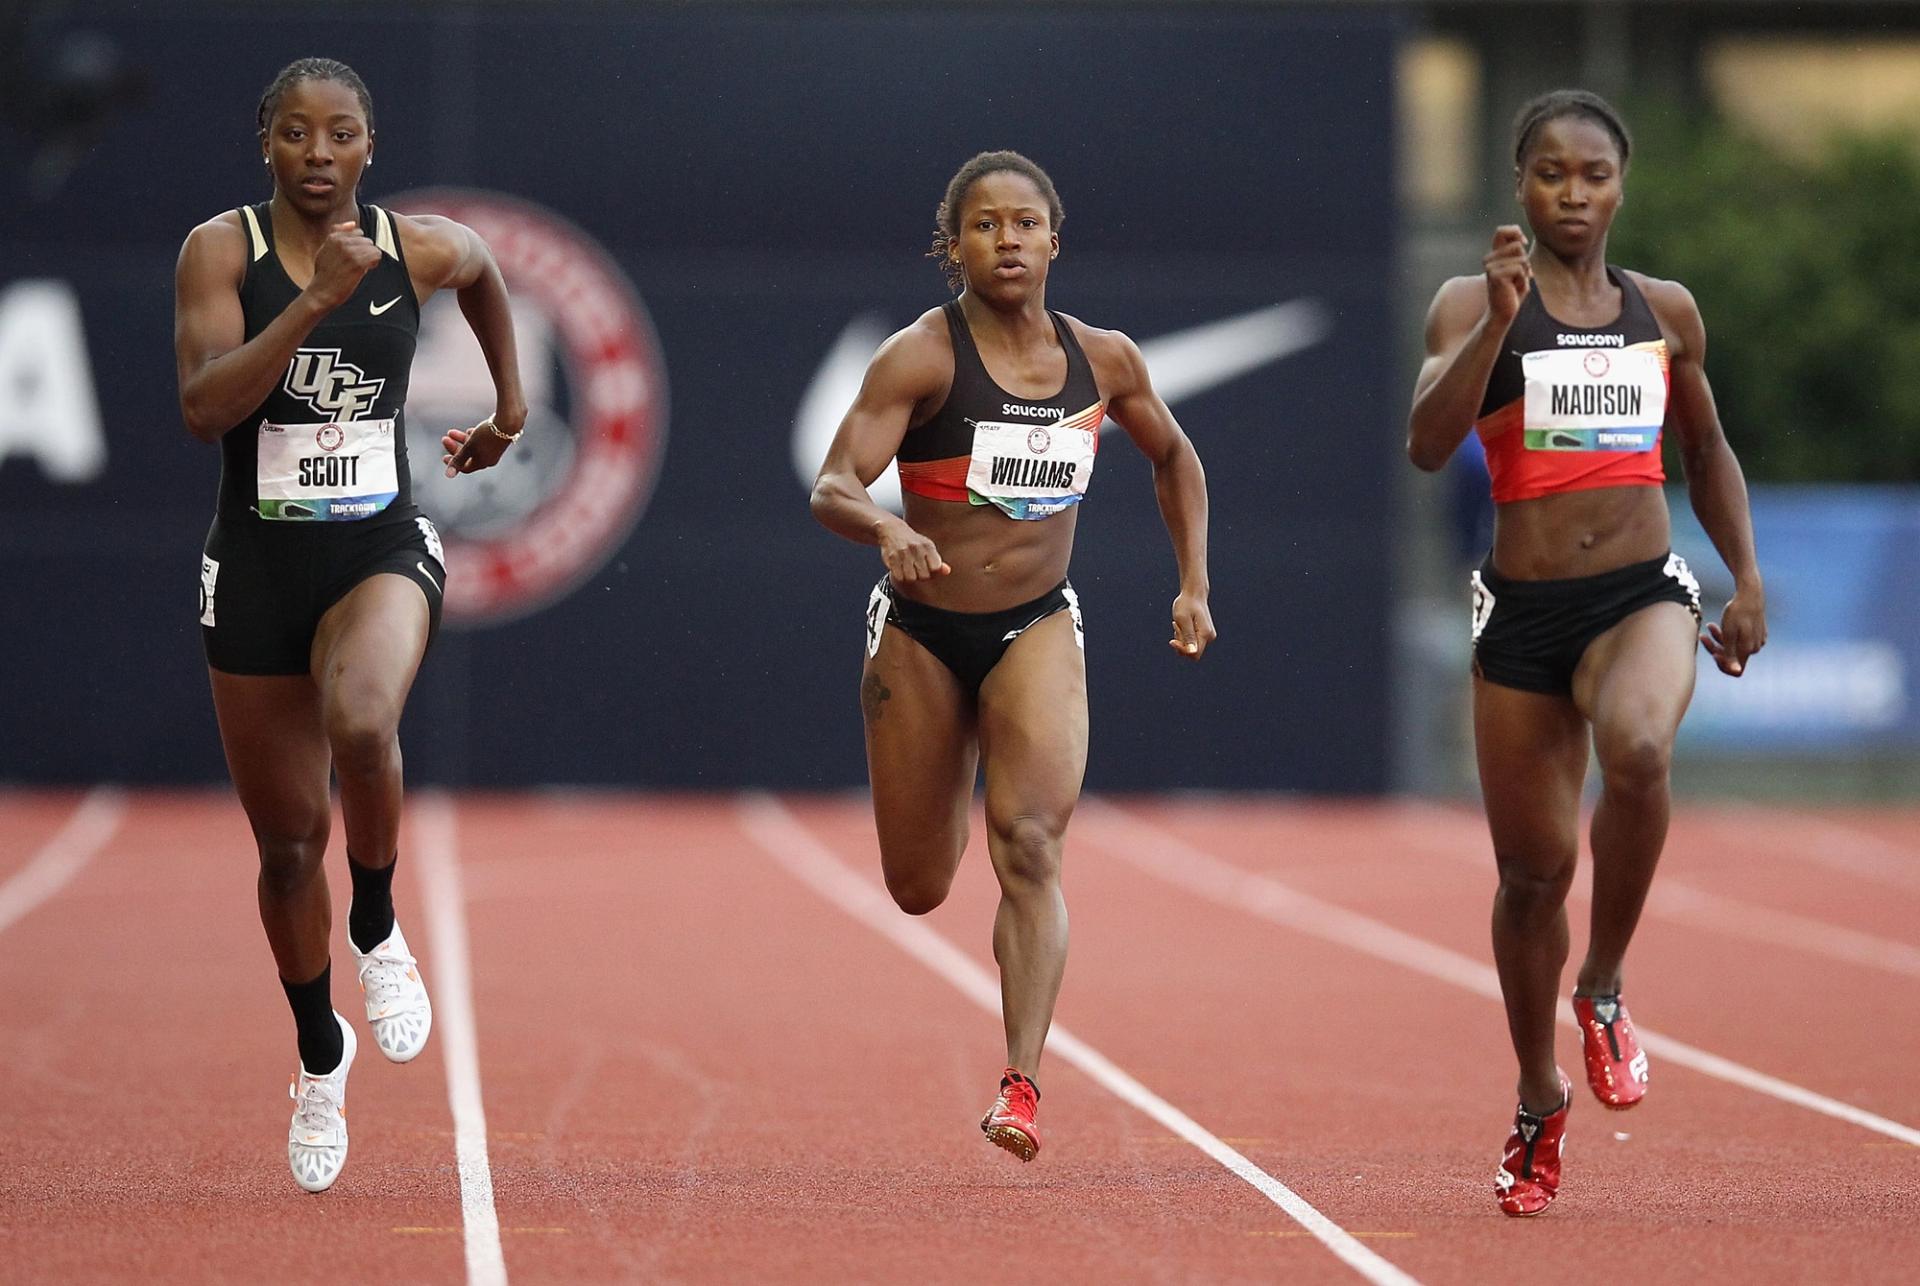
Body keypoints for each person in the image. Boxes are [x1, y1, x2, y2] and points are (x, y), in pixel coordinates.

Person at [810, 150, 1214, 1162]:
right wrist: (885, 529)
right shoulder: (922, 357)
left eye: (1025, 223)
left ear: (1054, 239)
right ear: (954, 246)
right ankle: (944, 774)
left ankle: (1022, 1081)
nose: (1007, 241)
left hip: (1036, 620)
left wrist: (1193, 581)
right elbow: (831, 483)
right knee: (918, 884)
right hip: (923, 629)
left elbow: (1175, 456)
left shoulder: (1105, 360)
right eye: (985, 225)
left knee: (1031, 842)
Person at [1408, 90, 1766, 1216]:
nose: (1573, 193)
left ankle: (1603, 982)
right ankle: (1536, 1093)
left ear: (1621, 185)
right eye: (1551, 174)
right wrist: (1493, 321)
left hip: (1640, 589)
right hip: (1521, 611)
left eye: (1593, 175)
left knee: (1642, 745)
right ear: (1519, 183)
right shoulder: (1472, 301)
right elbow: (1426, 444)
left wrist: (1745, 577)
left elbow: (1704, 448)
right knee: (1529, 878)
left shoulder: (1666, 312)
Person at [174, 57, 525, 1193]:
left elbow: (482, 271)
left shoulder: (413, 244)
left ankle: (378, 926)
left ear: (370, 145)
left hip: (377, 546)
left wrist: (511, 408)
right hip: (257, 568)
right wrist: (319, 298)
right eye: (295, 134)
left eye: (341, 134)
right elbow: (204, 407)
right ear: (264, 144)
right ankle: (319, 1056)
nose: (318, 154)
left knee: (364, 722)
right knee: (285, 849)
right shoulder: (219, 252)